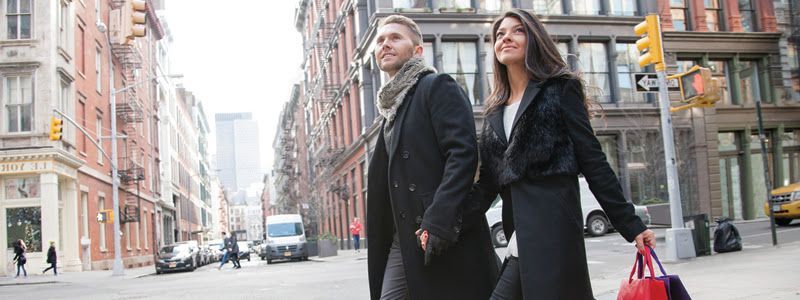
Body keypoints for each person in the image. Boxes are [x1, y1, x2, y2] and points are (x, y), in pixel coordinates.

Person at [472, 9, 657, 299]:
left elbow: (593, 161)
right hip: (517, 231)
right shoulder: (494, 111)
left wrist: (630, 223)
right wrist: (445, 221)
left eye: (517, 30)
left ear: (534, 40)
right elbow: (487, 185)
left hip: (552, 225)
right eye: (499, 34)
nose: (506, 37)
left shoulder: (560, 90)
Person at [366, 14, 498, 300]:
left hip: (440, 229)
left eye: (395, 38)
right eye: (380, 40)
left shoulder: (436, 86)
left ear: (418, 51)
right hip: (402, 238)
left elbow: (462, 154)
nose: (385, 44)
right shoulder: (390, 109)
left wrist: (439, 217)